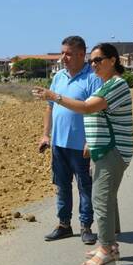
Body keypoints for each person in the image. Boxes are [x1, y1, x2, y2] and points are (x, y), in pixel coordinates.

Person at [33, 43, 133, 265]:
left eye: (98, 60)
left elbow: (89, 108)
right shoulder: (102, 82)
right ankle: (104, 244)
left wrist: (55, 96)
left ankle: (105, 248)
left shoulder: (112, 85)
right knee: (70, 187)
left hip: (110, 150)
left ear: (113, 60)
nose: (94, 64)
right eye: (93, 61)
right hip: (93, 147)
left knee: (100, 198)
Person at [38, 36, 101, 245]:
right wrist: (46, 134)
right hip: (59, 143)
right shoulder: (59, 77)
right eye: (62, 52)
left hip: (81, 145)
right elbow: (50, 107)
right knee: (62, 185)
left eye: (68, 53)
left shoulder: (92, 78)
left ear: (82, 54)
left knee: (85, 186)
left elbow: (96, 111)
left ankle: (86, 226)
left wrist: (91, 140)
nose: (63, 57)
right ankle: (64, 224)